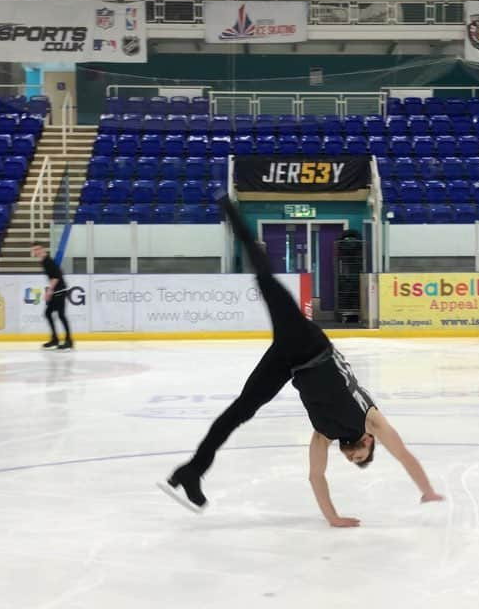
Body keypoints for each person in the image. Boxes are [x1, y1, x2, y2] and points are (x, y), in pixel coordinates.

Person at [159, 196, 443, 526]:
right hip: (310, 344)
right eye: (360, 455)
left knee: (241, 409)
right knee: (265, 278)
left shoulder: (324, 434)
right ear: (369, 443)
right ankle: (232, 211)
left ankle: (191, 471)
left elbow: (316, 477)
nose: (352, 456)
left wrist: (334, 517)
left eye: (352, 460)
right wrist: (427, 490)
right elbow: (403, 455)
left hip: (290, 361)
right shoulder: (372, 421)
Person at [30, 243, 73, 351]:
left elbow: (56, 277)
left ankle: (68, 341)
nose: (35, 252)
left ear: (42, 249)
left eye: (37, 249)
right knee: (48, 313)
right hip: (57, 291)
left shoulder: (48, 261)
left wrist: (49, 291)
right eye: (34, 250)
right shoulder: (44, 261)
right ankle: (55, 339)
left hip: (60, 291)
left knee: (61, 315)